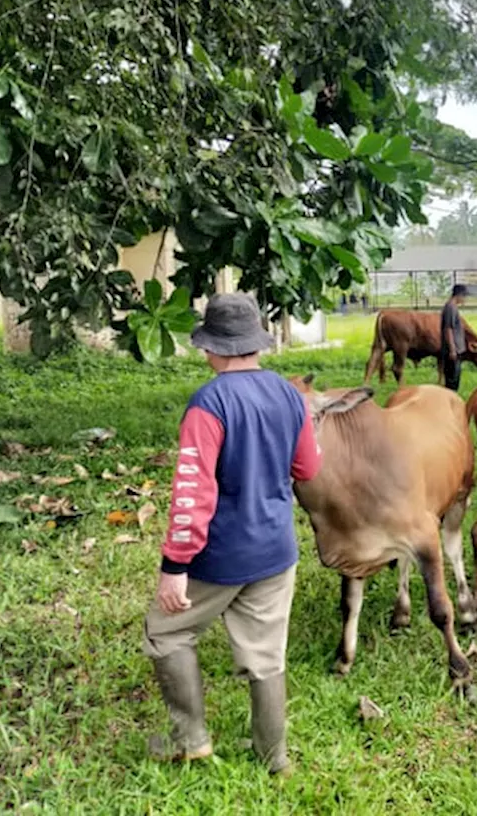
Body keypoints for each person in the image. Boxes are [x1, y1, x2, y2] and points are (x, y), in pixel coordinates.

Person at [143, 293, 322, 776]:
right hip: (276, 550)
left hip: (220, 554)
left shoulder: (209, 403)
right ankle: (274, 759)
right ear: (256, 344)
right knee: (266, 656)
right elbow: (308, 466)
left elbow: (191, 494)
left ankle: (191, 739)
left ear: (211, 348)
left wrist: (175, 568)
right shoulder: (290, 394)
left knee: (166, 631)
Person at [439, 283, 471, 392]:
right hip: (453, 351)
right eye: (464, 296)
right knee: (452, 380)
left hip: (456, 349)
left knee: (454, 378)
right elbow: (448, 329)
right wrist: (452, 350)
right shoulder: (451, 308)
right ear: (459, 295)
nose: (465, 299)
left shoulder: (452, 307)